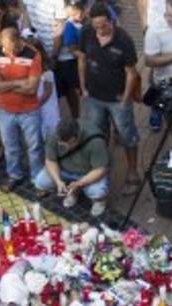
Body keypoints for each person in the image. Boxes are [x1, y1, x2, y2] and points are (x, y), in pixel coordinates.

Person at [77, 4, 140, 186]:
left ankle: (132, 169)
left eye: (103, 26)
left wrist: (126, 98)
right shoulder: (86, 33)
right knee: (96, 133)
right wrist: (83, 87)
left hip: (117, 99)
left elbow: (131, 72)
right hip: (93, 96)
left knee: (127, 135)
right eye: (96, 26)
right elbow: (82, 60)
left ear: (111, 21)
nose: (100, 30)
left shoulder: (124, 40)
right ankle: (100, 168)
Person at [0, 23, 44, 191]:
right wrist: (18, 83)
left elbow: (32, 88)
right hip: (5, 110)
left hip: (29, 111)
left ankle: (38, 180)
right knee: (10, 147)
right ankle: (14, 175)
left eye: (9, 48)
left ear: (18, 41)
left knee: (34, 147)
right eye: (3, 46)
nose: (6, 51)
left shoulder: (33, 55)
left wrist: (4, 85)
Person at [35, 118, 110, 215]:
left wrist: (80, 183)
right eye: (61, 144)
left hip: (87, 173)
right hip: (64, 170)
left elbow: (101, 169)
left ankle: (99, 201)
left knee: (97, 191)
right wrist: (58, 181)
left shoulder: (96, 141)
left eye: (66, 144)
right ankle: (71, 191)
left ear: (75, 139)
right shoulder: (54, 135)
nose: (64, 147)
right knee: (41, 182)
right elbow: (50, 160)